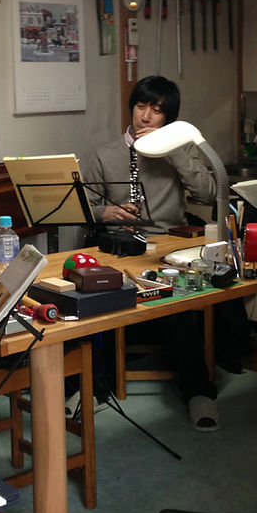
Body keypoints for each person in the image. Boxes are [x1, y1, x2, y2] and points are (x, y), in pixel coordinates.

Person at [83, 75, 223, 431]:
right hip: (120, 244)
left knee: (178, 300)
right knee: (89, 298)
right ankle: (91, 386)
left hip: (167, 243)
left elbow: (209, 193)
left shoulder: (181, 148)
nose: (145, 116)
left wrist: (174, 150)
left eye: (156, 111)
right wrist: (106, 212)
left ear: (168, 118)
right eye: (140, 106)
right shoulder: (105, 153)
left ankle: (198, 391)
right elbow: (87, 205)